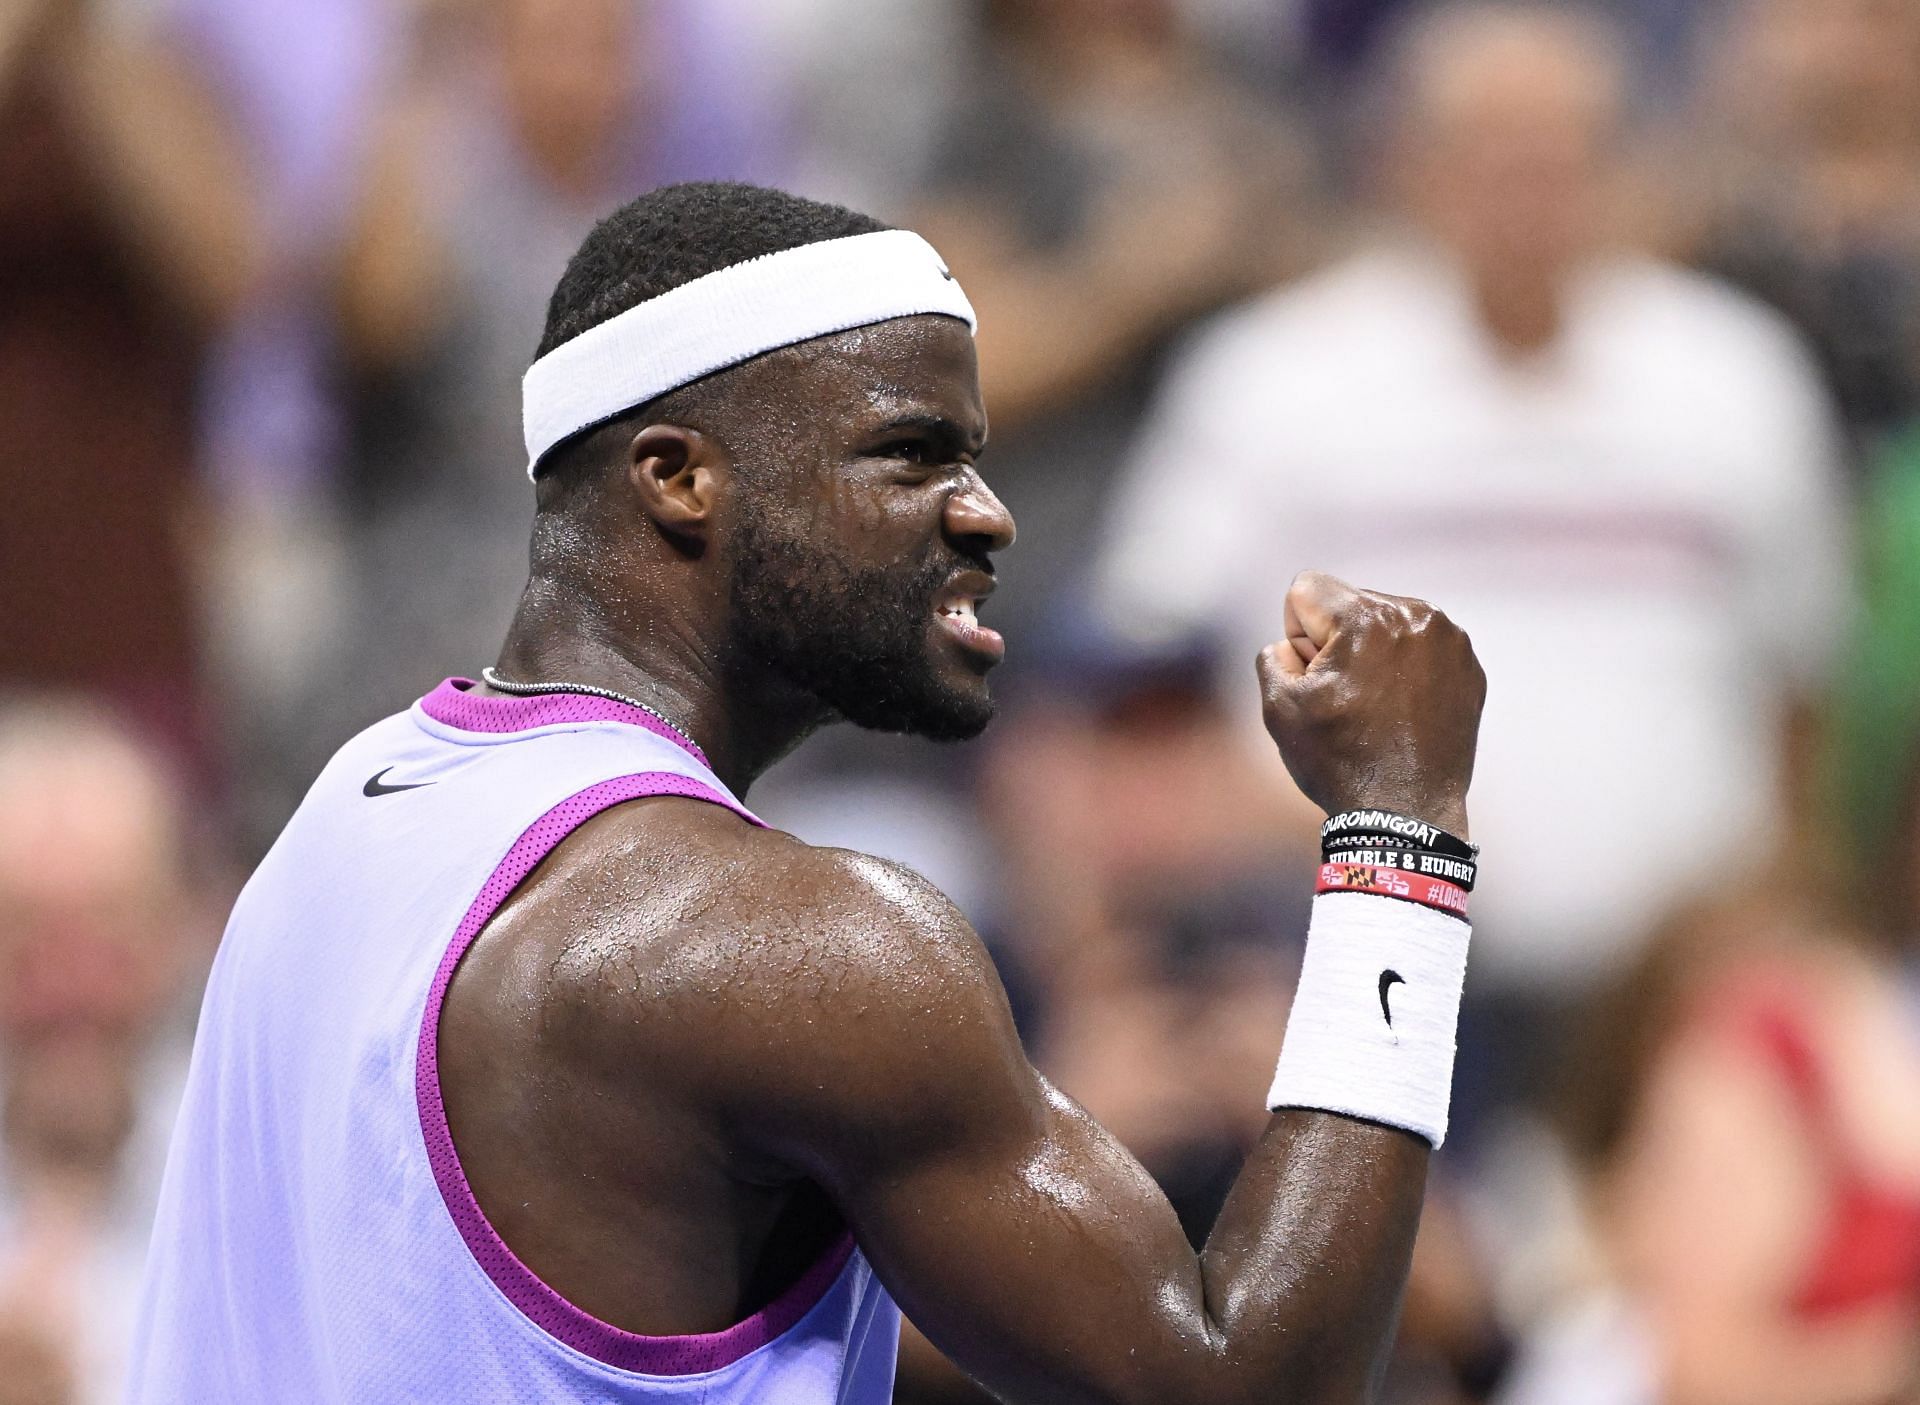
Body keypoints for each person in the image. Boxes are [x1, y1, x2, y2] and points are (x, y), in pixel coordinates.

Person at [129, 182, 1488, 1403]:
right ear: (677, 477)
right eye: (912, 452)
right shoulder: (793, 943)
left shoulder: (353, 802)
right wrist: (1403, 828)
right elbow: (1244, 1388)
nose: (986, 511)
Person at [1095, 1, 1849, 1134]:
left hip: (1680, 993)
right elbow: (1141, 677)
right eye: (1490, 153)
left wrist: (1766, 897)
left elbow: (1809, 685)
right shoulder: (1275, 375)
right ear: (1406, 164)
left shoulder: (1737, 376)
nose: (1526, 191)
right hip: (1353, 951)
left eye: (1562, 155)